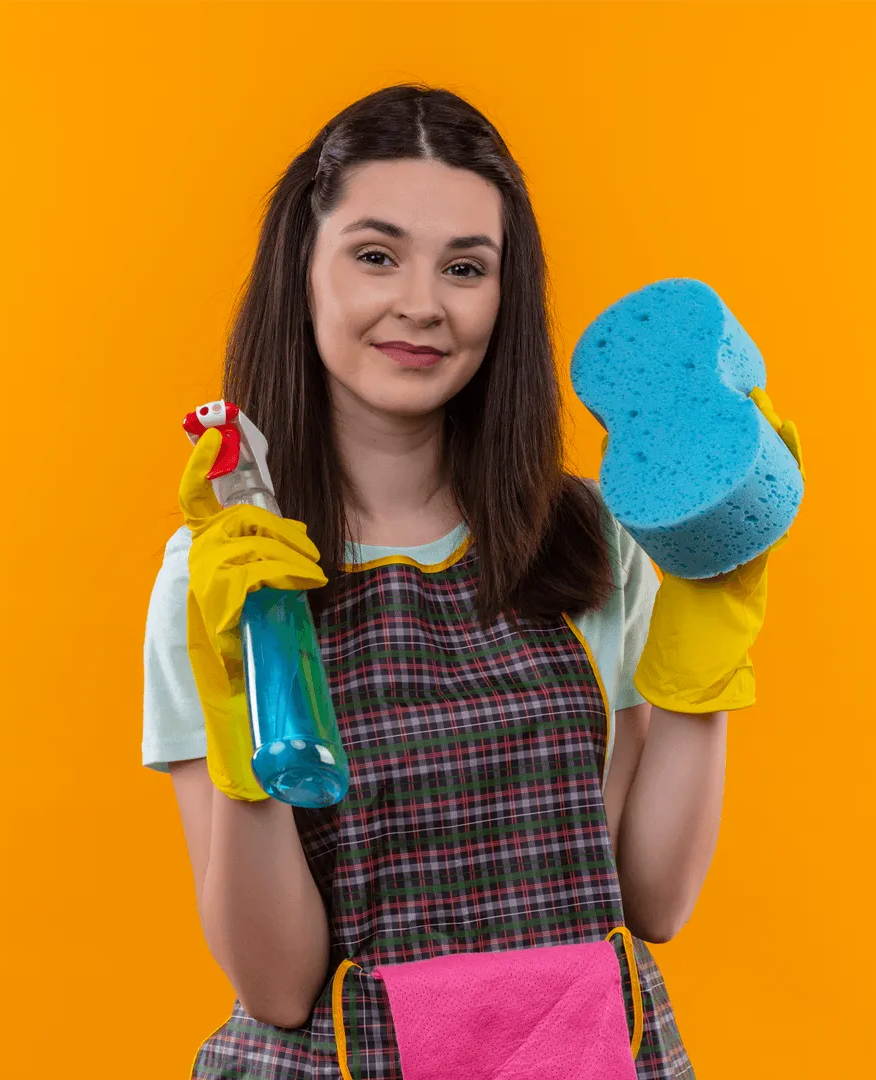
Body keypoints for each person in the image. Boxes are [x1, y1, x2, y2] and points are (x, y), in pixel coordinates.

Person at [143, 82, 779, 1080]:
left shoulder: (586, 540)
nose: (422, 304)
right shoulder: (225, 578)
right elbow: (277, 986)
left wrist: (702, 651)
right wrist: (243, 720)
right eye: (376, 254)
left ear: (504, 293)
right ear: (301, 270)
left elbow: (651, 900)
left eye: (467, 267)